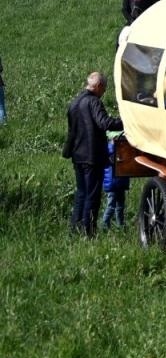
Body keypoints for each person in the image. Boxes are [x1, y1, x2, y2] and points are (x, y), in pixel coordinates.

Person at [63, 72, 121, 236]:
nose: (104, 92)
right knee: (92, 195)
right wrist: (125, 122)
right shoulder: (93, 101)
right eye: (104, 88)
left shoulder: (75, 102)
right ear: (99, 86)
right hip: (92, 156)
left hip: (77, 155)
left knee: (81, 193)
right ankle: (89, 232)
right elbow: (104, 123)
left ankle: (75, 229)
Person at [100, 136, 130, 229]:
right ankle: (104, 225)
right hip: (113, 182)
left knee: (120, 206)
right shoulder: (111, 149)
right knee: (111, 206)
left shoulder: (115, 148)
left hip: (119, 182)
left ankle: (120, 225)